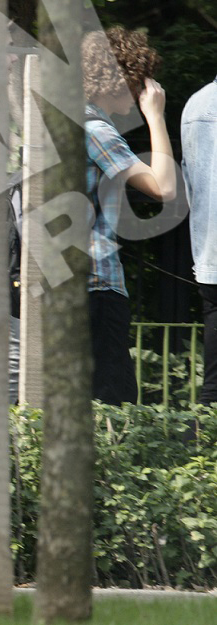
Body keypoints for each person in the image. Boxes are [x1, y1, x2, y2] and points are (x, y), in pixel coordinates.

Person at [81, 27, 176, 405]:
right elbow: (164, 186)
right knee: (111, 401)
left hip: (72, 281)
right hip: (98, 283)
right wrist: (155, 117)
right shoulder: (96, 130)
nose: (143, 89)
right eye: (139, 79)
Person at [180, 74, 217, 405]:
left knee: (214, 383)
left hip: (209, 257)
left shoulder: (196, 103)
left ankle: (206, 451)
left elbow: (189, 181)